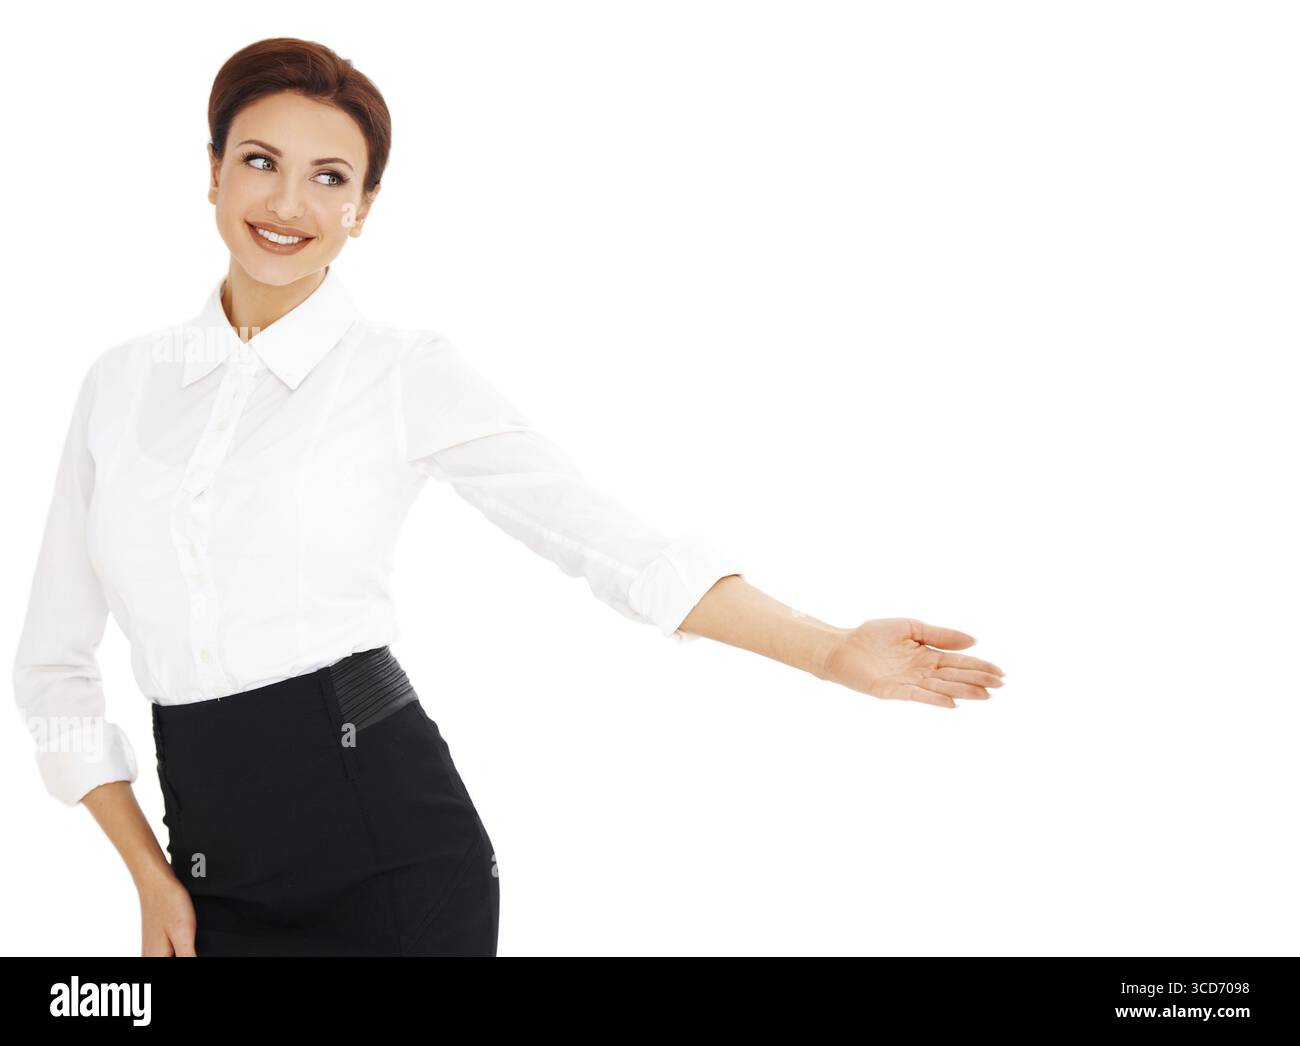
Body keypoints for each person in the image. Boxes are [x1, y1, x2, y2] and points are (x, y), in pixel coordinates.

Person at [11, 37, 1005, 957]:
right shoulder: (119, 385)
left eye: (331, 177)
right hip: (204, 860)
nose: (288, 202)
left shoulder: (401, 372)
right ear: (214, 172)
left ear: (363, 207)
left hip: (386, 849)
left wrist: (829, 650)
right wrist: (145, 870)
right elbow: (53, 659)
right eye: (260, 161)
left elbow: (602, 538)